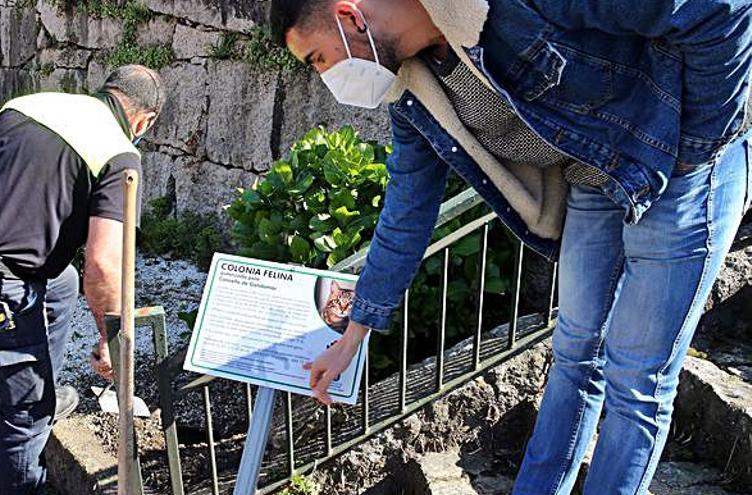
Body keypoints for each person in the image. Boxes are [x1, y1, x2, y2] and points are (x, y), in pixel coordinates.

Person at [270, 0, 752, 493]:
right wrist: (353, 334)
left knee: (637, 378)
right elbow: (405, 212)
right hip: (595, 173)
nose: (328, 79)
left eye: (318, 60)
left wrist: (697, 149)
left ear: (351, 16)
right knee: (574, 355)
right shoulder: (415, 90)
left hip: (681, 164)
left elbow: (718, 9)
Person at [0, 64, 165, 494]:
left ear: (104, 90)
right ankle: (35, 405)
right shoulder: (118, 154)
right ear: (143, 121)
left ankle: (42, 390)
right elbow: (104, 266)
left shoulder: (32, 104)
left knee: (62, 282)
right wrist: (110, 338)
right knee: (26, 416)